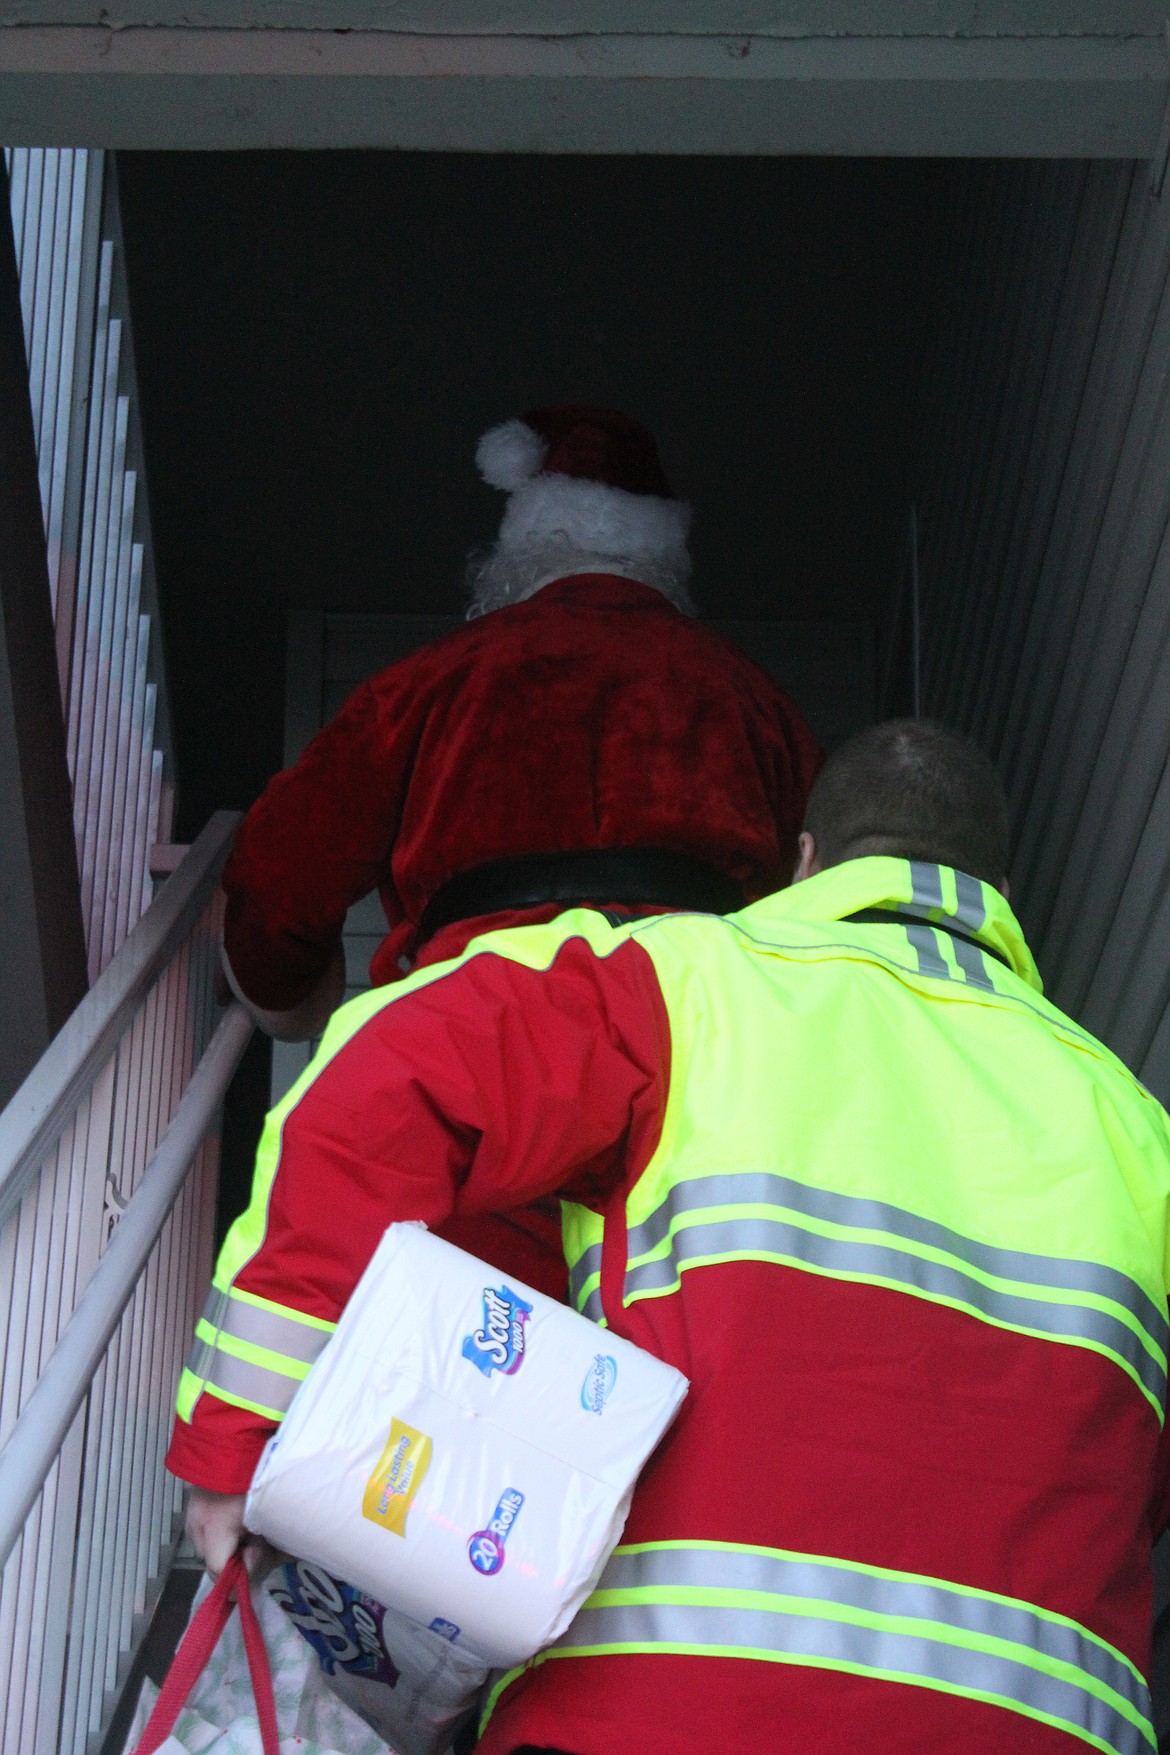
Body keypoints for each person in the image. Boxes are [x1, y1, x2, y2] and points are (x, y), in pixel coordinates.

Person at [172, 718, 1170, 1754]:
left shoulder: (685, 987)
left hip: (654, 1722)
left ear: (806, 864)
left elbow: (384, 1084)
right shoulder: (1137, 1135)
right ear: (1003, 899)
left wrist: (244, 1433)